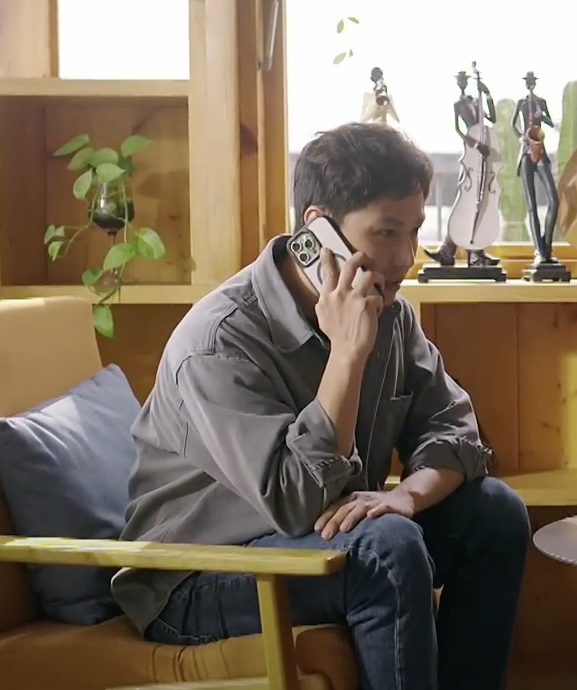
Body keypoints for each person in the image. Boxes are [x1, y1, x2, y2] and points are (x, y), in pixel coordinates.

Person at [111, 121, 532, 690]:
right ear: (317, 231)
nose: (406, 257)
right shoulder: (217, 343)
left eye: (414, 231)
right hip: (195, 575)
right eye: (386, 232)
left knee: (495, 515)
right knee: (386, 550)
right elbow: (294, 501)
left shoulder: (389, 313)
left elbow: (455, 430)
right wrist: (347, 354)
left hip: (318, 541)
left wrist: (407, 495)